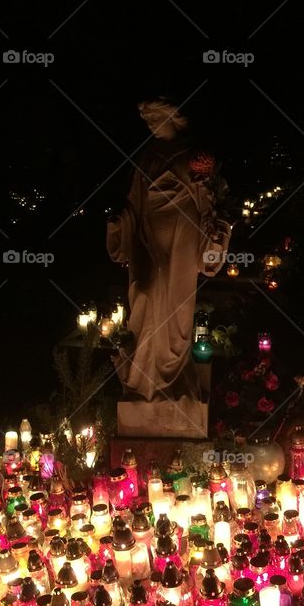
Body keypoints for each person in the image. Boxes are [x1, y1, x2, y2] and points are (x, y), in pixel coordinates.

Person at [107, 99, 230, 418]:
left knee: (175, 307)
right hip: (149, 235)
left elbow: (206, 201)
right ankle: (143, 379)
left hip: (183, 234)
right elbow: (134, 202)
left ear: (172, 119)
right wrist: (122, 224)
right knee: (145, 295)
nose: (151, 127)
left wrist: (211, 230)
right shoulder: (146, 156)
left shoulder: (191, 156)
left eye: (154, 120)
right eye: (147, 123)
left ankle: (172, 376)